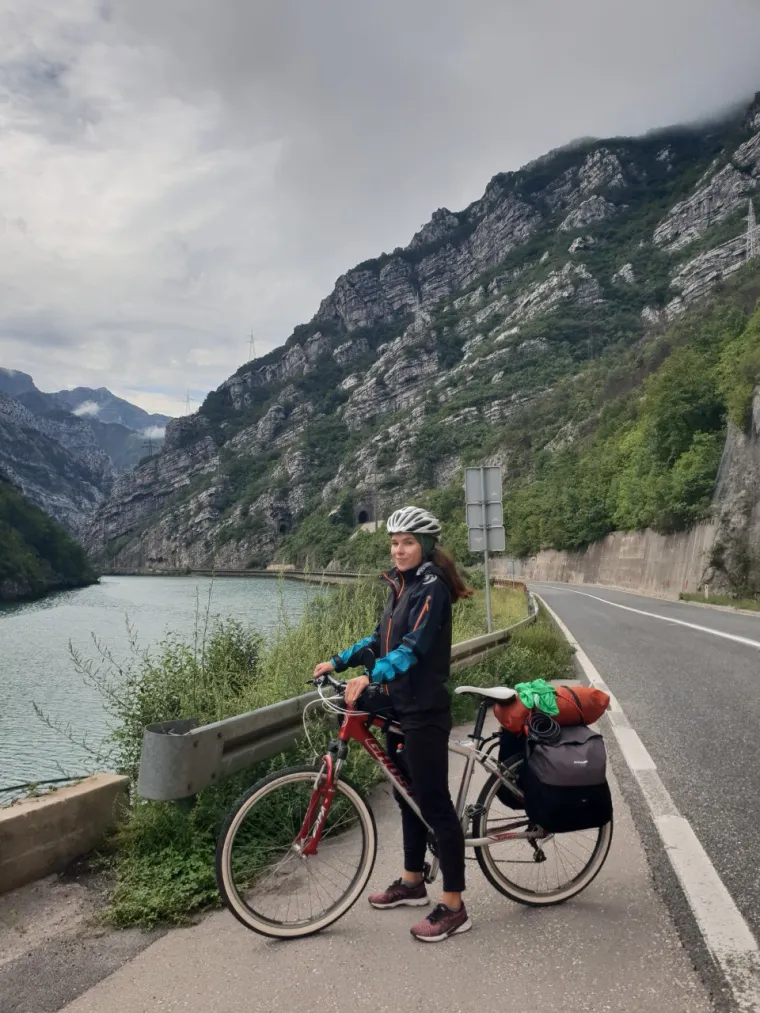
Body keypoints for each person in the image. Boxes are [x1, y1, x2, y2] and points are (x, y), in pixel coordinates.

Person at [312, 506, 474, 943]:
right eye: (394, 542)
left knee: (434, 804)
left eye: (407, 542)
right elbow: (379, 637)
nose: (398, 549)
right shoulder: (401, 585)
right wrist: (341, 660)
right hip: (399, 706)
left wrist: (370, 675)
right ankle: (412, 881)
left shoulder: (432, 588)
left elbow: (411, 648)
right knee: (406, 797)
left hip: (423, 709)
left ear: (426, 546)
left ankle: (455, 906)